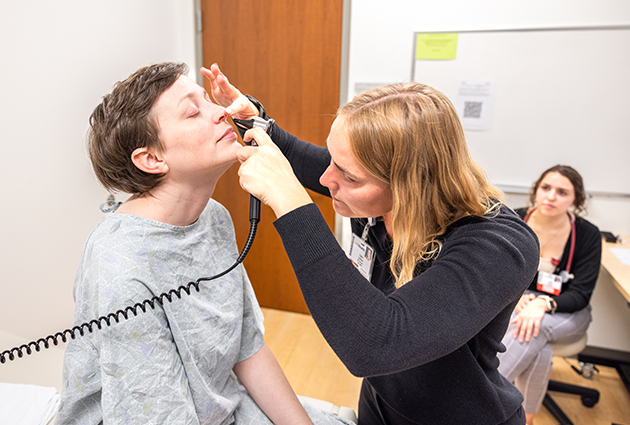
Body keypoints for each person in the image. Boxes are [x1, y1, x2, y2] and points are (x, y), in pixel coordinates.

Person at [204, 64, 540, 425]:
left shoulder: (499, 246)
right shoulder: (378, 205)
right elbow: (315, 162)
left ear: (411, 185)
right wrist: (259, 126)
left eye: (347, 175)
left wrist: (290, 202)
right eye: (333, 160)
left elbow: (376, 345)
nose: (325, 178)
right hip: (381, 406)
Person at [55, 62, 353, 425]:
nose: (222, 112)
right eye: (194, 112)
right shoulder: (121, 269)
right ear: (152, 159)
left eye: (207, 101)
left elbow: (247, 348)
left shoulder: (213, 216)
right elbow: (157, 415)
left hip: (222, 405)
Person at [496, 165, 601, 425]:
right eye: (546, 188)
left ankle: (482, 394)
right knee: (537, 346)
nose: (551, 196)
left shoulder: (587, 235)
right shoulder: (513, 220)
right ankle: (525, 419)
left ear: (575, 199)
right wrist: (516, 297)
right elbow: (495, 272)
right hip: (519, 304)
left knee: (534, 326)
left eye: (562, 192)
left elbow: (581, 294)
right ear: (536, 190)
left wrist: (545, 303)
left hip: (567, 312)